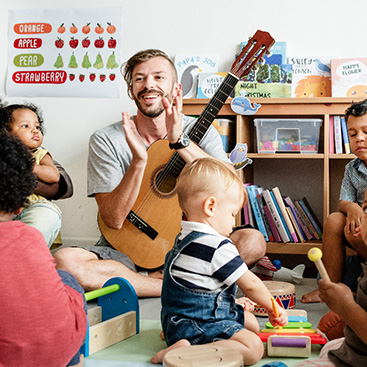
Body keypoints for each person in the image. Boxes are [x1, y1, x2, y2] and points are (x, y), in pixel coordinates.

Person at [54, 49, 266, 297]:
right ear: (131, 89)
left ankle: (143, 282)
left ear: (176, 88)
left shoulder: (199, 131)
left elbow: (230, 184)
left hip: (191, 245)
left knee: (253, 242)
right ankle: (180, 285)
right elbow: (112, 219)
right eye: (140, 78)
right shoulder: (107, 139)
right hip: (127, 248)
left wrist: (181, 143)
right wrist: (139, 162)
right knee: (65, 261)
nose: (148, 85)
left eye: (158, 77)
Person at [150, 158, 288, 365]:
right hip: (200, 326)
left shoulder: (182, 239)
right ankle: (184, 352)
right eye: (232, 214)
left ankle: (180, 340)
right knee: (254, 347)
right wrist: (273, 307)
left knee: (251, 323)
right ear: (211, 206)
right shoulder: (217, 245)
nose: (234, 222)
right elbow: (250, 284)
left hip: (174, 324)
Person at [0, 132, 87, 367]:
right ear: (20, 206)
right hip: (59, 352)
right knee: (66, 279)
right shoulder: (31, 236)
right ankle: (76, 358)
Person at [302, 98, 367, 303]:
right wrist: (354, 208)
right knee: (334, 219)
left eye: (366, 132)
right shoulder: (352, 168)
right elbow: (343, 202)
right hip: (357, 225)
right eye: (353, 134)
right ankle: (330, 287)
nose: (360, 139)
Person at [296, 190, 367, 367]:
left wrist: (347, 307)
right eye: (366, 209)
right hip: (355, 350)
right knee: (331, 345)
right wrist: (350, 297)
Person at [0, 101, 67, 248]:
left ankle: (27, 251)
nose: (35, 131)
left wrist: (33, 167)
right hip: (4, 209)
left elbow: (55, 177)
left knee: (45, 215)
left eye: (37, 127)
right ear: (6, 131)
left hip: (34, 206)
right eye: (26, 126)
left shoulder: (40, 155)